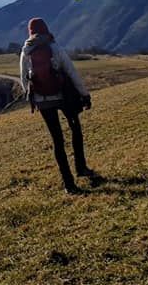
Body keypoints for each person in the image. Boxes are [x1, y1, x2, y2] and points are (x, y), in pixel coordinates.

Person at [20, 17, 94, 193]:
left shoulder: (26, 51)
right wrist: (84, 94)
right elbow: (71, 71)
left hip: (43, 101)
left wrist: (34, 97)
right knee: (75, 130)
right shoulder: (54, 47)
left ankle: (69, 185)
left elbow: (24, 79)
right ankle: (81, 168)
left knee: (57, 141)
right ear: (46, 29)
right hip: (64, 97)